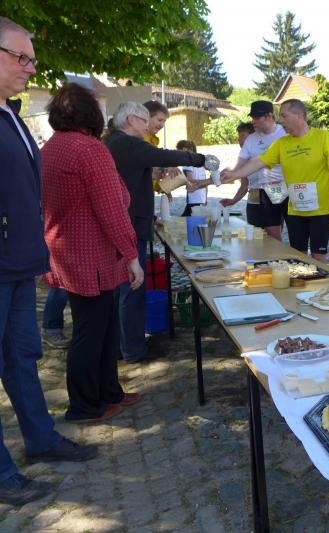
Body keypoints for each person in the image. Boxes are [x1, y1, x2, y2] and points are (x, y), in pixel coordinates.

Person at [0, 17, 98, 505]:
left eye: (32, 59)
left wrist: (35, 251)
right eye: (21, 57)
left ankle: (40, 439)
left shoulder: (13, 116)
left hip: (20, 264)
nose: (31, 68)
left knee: (23, 357)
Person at [41, 83, 144, 421]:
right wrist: (131, 254)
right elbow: (111, 208)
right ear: (92, 115)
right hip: (89, 255)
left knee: (104, 326)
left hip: (67, 249)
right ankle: (84, 404)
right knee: (90, 331)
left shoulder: (51, 147)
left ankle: (108, 391)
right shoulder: (89, 149)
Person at [105, 102, 214, 363]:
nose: (147, 127)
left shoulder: (115, 142)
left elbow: (133, 180)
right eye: (144, 121)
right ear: (131, 120)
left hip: (129, 222)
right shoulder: (128, 143)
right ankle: (133, 351)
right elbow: (165, 155)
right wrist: (200, 159)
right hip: (130, 227)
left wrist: (151, 215)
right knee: (132, 290)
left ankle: (122, 346)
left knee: (122, 291)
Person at [221, 99, 329, 262]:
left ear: (299, 115)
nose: (281, 121)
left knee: (318, 255)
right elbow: (257, 162)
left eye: (284, 116)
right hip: (295, 210)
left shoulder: (323, 138)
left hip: (321, 211)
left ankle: (322, 280)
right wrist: (234, 174)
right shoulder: (281, 143)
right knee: (299, 256)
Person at [220, 101, 288, 241]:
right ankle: (270, 256)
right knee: (264, 235)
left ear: (269, 116)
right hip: (261, 193)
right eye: (252, 117)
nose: (253, 121)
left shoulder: (286, 132)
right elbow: (238, 168)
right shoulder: (252, 139)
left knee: (295, 235)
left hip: (288, 188)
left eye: (257, 117)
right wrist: (208, 181)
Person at [176, 140, 213, 217]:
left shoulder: (187, 163)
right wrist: (205, 198)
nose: (178, 155)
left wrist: (180, 181)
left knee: (185, 220)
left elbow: (190, 180)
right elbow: (205, 182)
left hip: (193, 198)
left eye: (179, 151)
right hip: (201, 198)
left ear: (185, 149)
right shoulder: (200, 164)